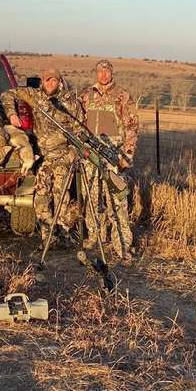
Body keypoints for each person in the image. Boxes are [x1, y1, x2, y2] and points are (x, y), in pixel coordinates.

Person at [2, 68, 85, 238]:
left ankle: (63, 233)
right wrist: (11, 114)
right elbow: (7, 94)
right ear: (42, 81)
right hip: (43, 157)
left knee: (60, 195)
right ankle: (47, 234)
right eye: (47, 80)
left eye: (54, 80)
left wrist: (73, 152)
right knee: (41, 195)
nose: (50, 84)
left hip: (63, 155)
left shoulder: (70, 103)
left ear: (59, 81)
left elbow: (80, 131)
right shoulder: (34, 95)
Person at [78, 59, 138, 262]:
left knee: (116, 201)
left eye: (106, 71)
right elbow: (78, 123)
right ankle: (95, 235)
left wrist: (127, 155)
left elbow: (132, 127)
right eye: (100, 71)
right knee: (92, 197)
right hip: (91, 157)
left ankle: (122, 244)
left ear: (112, 73)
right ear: (96, 73)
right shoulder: (86, 95)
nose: (103, 75)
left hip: (113, 157)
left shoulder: (122, 95)